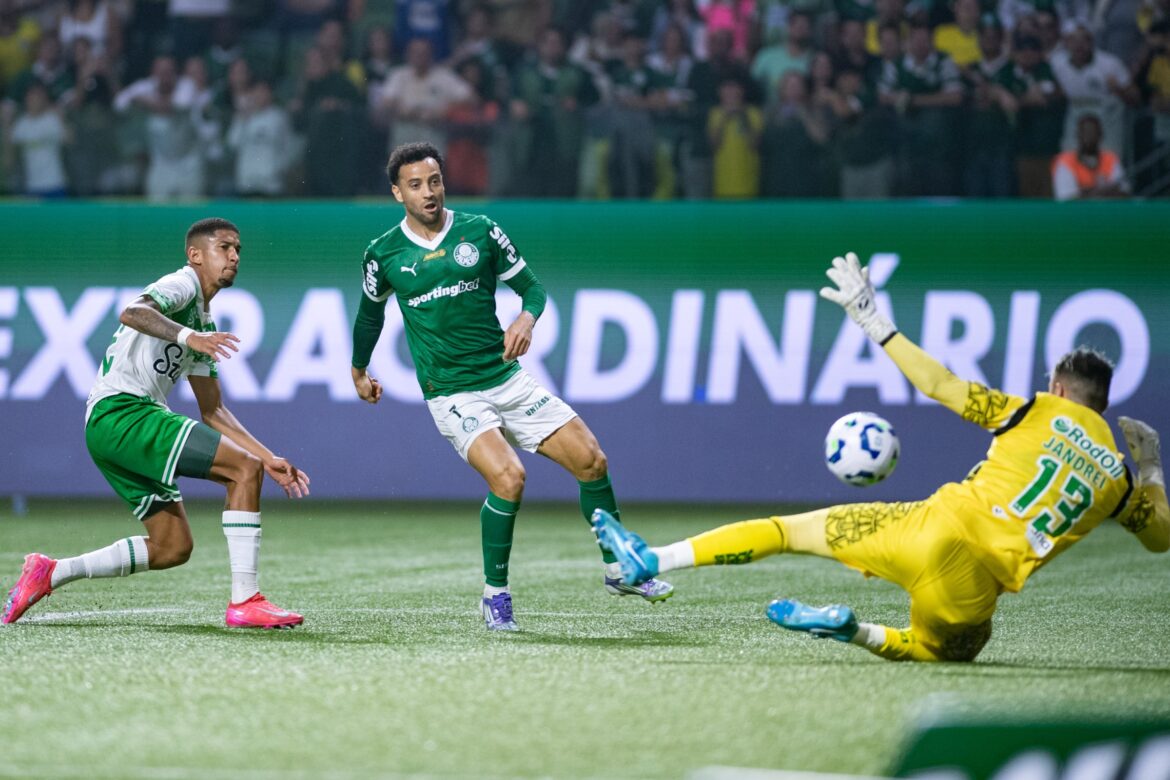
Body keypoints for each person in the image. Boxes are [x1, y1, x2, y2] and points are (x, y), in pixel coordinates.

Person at [593, 251, 1169, 662]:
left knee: (785, 530)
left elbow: (941, 385)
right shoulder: (1119, 480)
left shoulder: (1033, 410)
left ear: (1061, 390)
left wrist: (875, 323)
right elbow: (1160, 537)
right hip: (974, 588)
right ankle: (854, 631)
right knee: (949, 652)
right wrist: (1150, 469)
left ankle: (654, 560)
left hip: (926, 529)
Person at [350, 142, 673, 632]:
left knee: (592, 460)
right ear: (398, 193)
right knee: (509, 478)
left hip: (505, 377)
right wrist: (358, 370)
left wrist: (526, 317)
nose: (429, 192)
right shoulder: (383, 253)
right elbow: (368, 317)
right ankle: (494, 596)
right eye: (415, 185)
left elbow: (534, 289)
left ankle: (619, 568)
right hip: (451, 391)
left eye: (434, 180)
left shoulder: (481, 231)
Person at [2, 218, 310, 629]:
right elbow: (132, 312)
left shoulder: (203, 322)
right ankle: (245, 601)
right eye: (224, 247)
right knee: (241, 471)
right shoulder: (181, 285)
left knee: (171, 547)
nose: (234, 256)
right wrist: (187, 338)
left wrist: (268, 456)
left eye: (238, 249)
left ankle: (50, 572)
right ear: (195, 255)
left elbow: (213, 411)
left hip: (112, 426)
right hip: (122, 413)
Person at [1051, 112, 1129, 199]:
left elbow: (1124, 193)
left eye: (1092, 132)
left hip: (1107, 211)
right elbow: (1067, 198)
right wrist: (1103, 191)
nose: (1089, 136)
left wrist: (1086, 192)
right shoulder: (1065, 161)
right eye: (1085, 132)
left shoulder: (1111, 159)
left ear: (1100, 135)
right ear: (1077, 135)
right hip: (1076, 212)